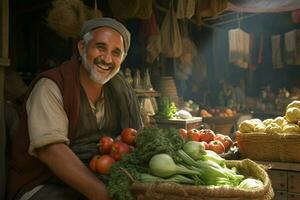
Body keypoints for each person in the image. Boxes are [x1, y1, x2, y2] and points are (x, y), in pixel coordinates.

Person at [7, 17, 143, 200]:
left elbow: (135, 139)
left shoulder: (120, 90)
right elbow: (52, 151)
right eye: (100, 47)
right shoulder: (52, 86)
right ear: (81, 47)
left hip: (101, 181)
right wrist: (104, 196)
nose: (107, 59)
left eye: (116, 52)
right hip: (44, 185)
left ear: (123, 59)